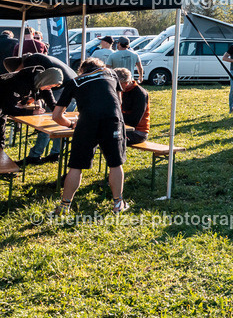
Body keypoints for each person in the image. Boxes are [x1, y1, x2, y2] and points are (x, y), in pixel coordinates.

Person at [51, 58, 129, 216]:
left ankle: (65, 206)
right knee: (115, 163)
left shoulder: (75, 81)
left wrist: (71, 124)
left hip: (87, 122)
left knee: (76, 166)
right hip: (112, 120)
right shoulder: (111, 73)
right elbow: (119, 102)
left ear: (82, 70)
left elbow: (56, 115)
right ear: (100, 66)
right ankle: (118, 203)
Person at [5, 53, 77, 165]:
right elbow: (38, 89)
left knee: (47, 123)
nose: (17, 73)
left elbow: (44, 90)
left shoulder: (32, 66)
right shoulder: (38, 67)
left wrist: (28, 107)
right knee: (57, 122)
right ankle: (55, 153)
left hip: (63, 86)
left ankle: (36, 155)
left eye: (16, 71)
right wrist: (24, 103)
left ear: (20, 65)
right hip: (71, 85)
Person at [112, 68, 150, 145]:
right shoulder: (121, 91)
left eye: (117, 84)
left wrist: (113, 117)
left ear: (126, 83)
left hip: (138, 133)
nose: (115, 86)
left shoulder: (140, 94)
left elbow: (134, 120)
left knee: (109, 137)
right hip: (122, 128)